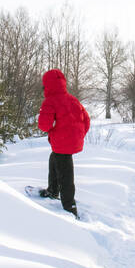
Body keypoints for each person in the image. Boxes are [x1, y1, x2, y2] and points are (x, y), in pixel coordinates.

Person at [36, 68, 91, 217]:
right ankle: (53, 191)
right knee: (54, 159)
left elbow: (44, 125)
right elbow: (86, 120)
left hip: (62, 143)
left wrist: (59, 132)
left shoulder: (50, 101)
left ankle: (70, 207)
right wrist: (78, 135)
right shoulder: (73, 99)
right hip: (69, 141)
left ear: (47, 86)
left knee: (66, 175)